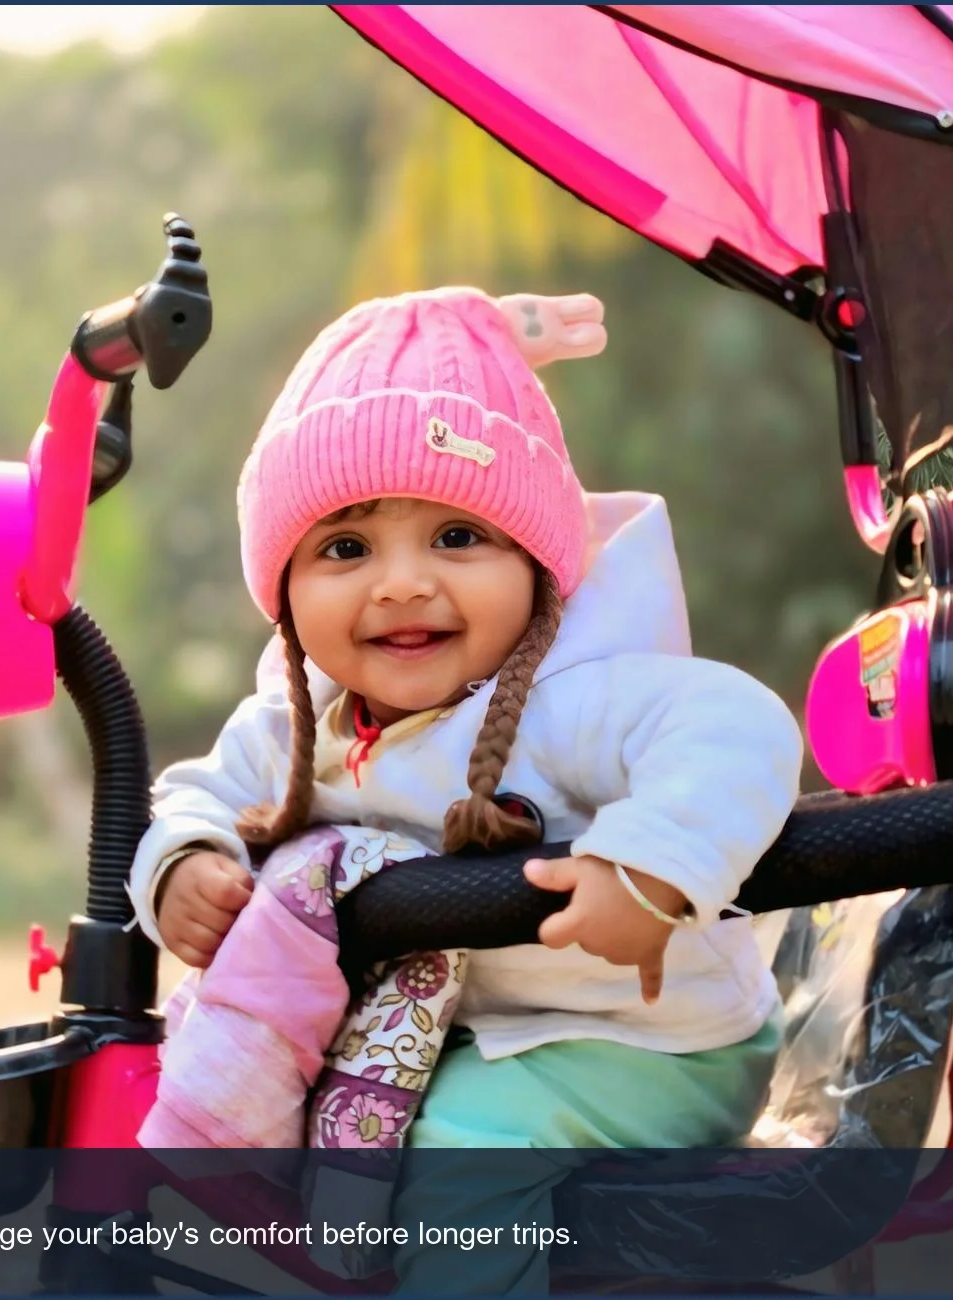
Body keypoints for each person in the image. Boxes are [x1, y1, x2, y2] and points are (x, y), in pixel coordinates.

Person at [128, 285, 803, 1292]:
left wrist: (652, 868)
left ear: (537, 566)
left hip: (644, 1042)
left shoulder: (575, 696)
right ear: (283, 594)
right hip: (461, 1039)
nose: (401, 583)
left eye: (456, 537)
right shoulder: (296, 724)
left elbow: (739, 728)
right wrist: (184, 861)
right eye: (346, 548)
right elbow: (193, 795)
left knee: (454, 1163)